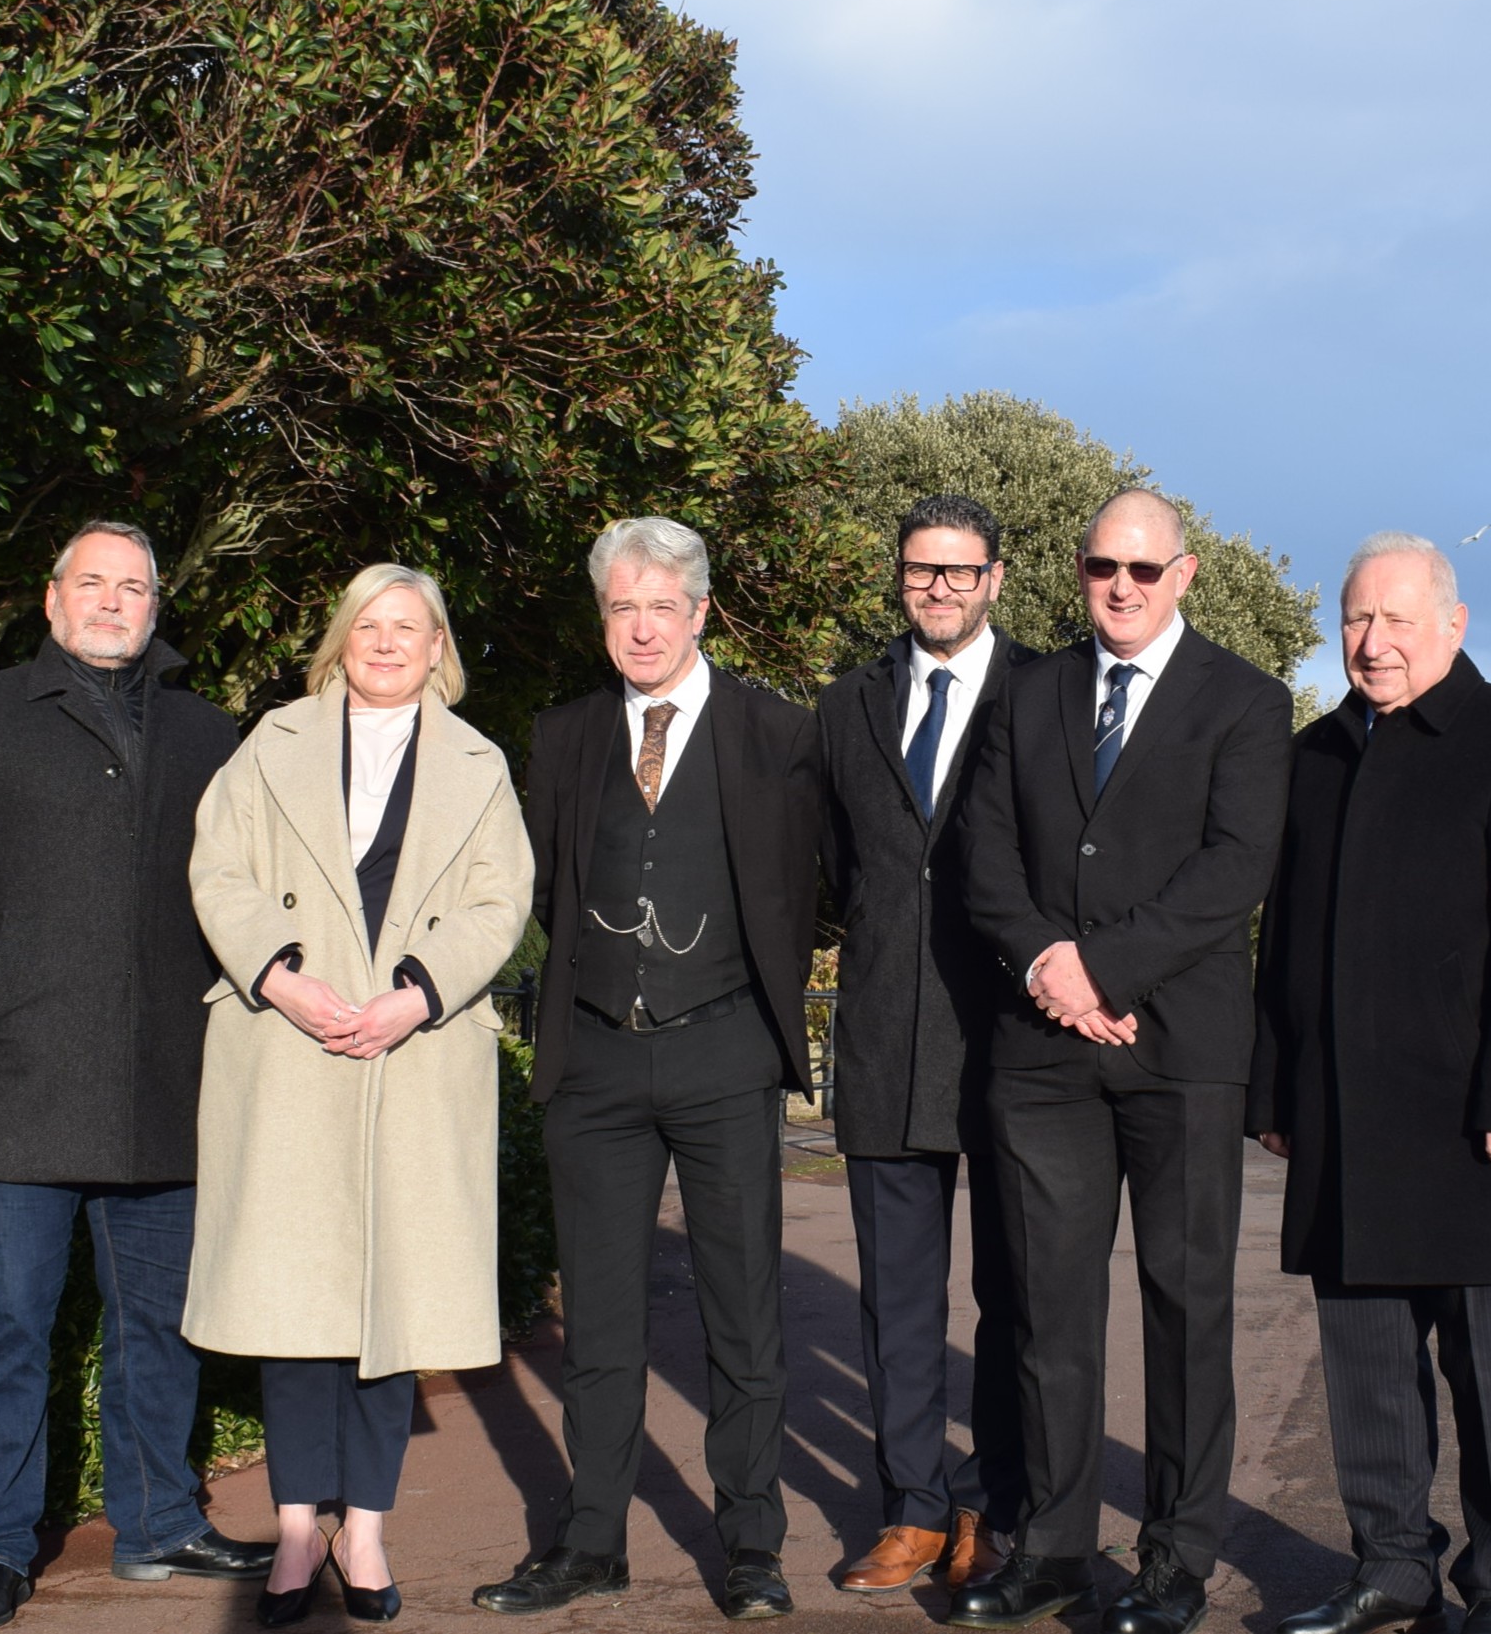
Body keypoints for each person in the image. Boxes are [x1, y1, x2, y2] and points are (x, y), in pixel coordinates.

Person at [0, 522, 274, 1630]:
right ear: (52, 601)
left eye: (133, 586)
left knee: (162, 1325)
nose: (112, 601)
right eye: (91, 583)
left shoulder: (209, 734)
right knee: (5, 1326)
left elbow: (256, 885)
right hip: (21, 1080)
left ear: (157, 605)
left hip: (165, 1086)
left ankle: (155, 1527)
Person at [950, 489, 1293, 1634]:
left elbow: (1234, 867)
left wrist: (1103, 969)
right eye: (1103, 566)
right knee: (1048, 1310)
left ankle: (1173, 1559)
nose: (1122, 587)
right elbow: (981, 845)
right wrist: (1046, 961)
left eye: (1145, 569)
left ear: (1185, 574)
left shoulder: (1244, 702)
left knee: (1185, 1309)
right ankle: (1050, 1550)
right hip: (1041, 1053)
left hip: (1181, 1051)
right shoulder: (1030, 690)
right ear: (1079, 570)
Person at [472, 517, 826, 1622]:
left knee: (743, 1317)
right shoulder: (564, 734)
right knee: (602, 1325)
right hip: (596, 1063)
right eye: (620, 607)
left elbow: (823, 880)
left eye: (659, 607)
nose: (639, 627)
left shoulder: (778, 732)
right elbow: (538, 884)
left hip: (726, 1050)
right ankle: (590, 1543)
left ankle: (752, 1547)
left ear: (700, 612)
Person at [1247, 532, 1491, 1634]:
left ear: (1452, 623)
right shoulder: (1315, 755)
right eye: (1354, 619)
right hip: (1341, 1116)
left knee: (1488, 1376)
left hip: (1467, 1119)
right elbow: (1284, 941)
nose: (1371, 641)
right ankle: (1391, 1566)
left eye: (1395, 620)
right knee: (1364, 1373)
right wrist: (1275, 1095)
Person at [183, 565, 533, 1627]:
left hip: (415, 1057)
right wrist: (282, 980)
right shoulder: (272, 744)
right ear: (340, 640)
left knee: (393, 1305)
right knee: (297, 1310)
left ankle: (366, 1527)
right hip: (289, 1049)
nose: (387, 643)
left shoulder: (480, 764)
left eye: (409, 628)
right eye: (368, 626)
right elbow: (218, 873)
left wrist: (414, 998)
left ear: (438, 648)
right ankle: (298, 1527)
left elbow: (498, 899)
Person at [817, 496, 1035, 1596]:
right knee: (896, 1301)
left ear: (995, 577)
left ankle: (993, 1510)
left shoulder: (1045, 692)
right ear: (898, 576)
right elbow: (822, 870)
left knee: (1009, 1300)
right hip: (883, 1045)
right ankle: (909, 1508)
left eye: (959, 571)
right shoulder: (846, 704)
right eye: (920, 570)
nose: (939, 588)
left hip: (1010, 1048)